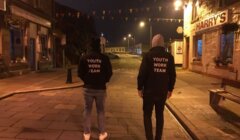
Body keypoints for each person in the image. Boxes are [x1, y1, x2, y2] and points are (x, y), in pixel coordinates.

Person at [137, 34, 176, 140]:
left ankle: (149, 138)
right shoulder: (169, 57)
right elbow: (172, 74)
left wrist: (140, 88)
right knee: (160, 115)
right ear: (163, 44)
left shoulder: (148, 56)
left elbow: (142, 74)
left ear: (153, 44)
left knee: (147, 115)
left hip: (149, 91)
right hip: (162, 91)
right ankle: (158, 138)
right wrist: (170, 89)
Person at [78, 37, 112, 140]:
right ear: (99, 46)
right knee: (100, 110)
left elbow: (80, 73)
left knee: (87, 110)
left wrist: (86, 80)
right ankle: (102, 133)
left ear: (89, 46)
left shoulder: (84, 57)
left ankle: (86, 133)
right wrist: (103, 81)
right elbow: (109, 73)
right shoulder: (104, 58)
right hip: (101, 88)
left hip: (88, 88)